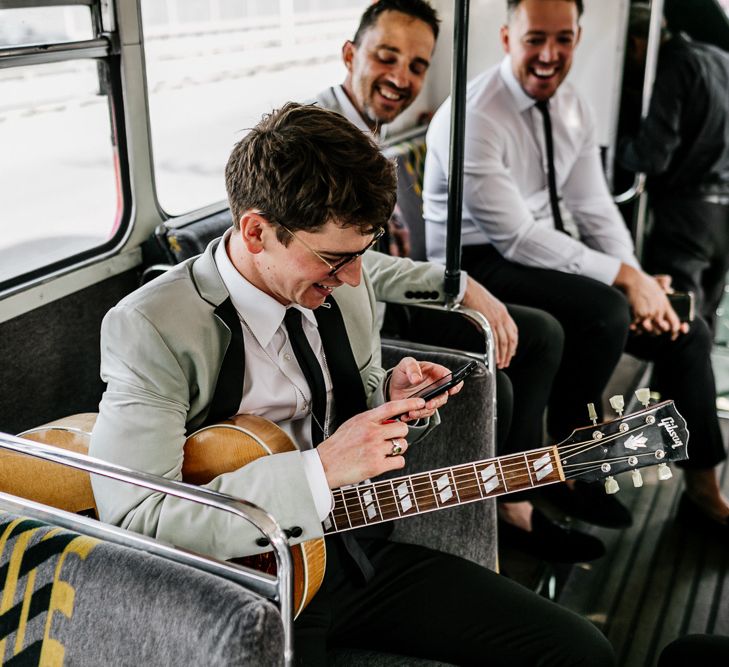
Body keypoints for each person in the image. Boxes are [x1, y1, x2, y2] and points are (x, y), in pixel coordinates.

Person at [89, 103, 615, 665]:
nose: (356, 278)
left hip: (349, 549)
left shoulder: (346, 285)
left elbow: (358, 397)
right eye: (335, 259)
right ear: (256, 230)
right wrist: (321, 470)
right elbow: (138, 519)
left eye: (362, 253)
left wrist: (392, 395)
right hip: (238, 583)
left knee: (580, 651)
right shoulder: (152, 327)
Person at [315, 0, 605, 561]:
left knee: (540, 334)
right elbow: (343, 262)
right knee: (496, 383)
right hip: (349, 324)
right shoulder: (322, 142)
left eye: (418, 66)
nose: (401, 78)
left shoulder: (370, 133)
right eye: (386, 57)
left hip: (386, 307)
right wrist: (459, 285)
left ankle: (526, 487)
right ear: (351, 54)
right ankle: (495, 512)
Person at [423, 0, 729, 529]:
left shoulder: (573, 107)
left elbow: (593, 208)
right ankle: (573, 461)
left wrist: (637, 279)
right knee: (605, 310)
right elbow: (516, 238)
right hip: (476, 261)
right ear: (505, 38)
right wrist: (624, 280)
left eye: (563, 39)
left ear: (578, 38)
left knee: (688, 331)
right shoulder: (475, 116)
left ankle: (704, 487)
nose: (549, 54)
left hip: (545, 251)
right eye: (535, 39)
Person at [618, 5, 729, 332]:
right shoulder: (720, 59)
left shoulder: (674, 66)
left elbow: (651, 157)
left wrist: (614, 146)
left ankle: (667, 387)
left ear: (639, 44)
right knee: (702, 325)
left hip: (685, 221)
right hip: (723, 217)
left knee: (677, 330)